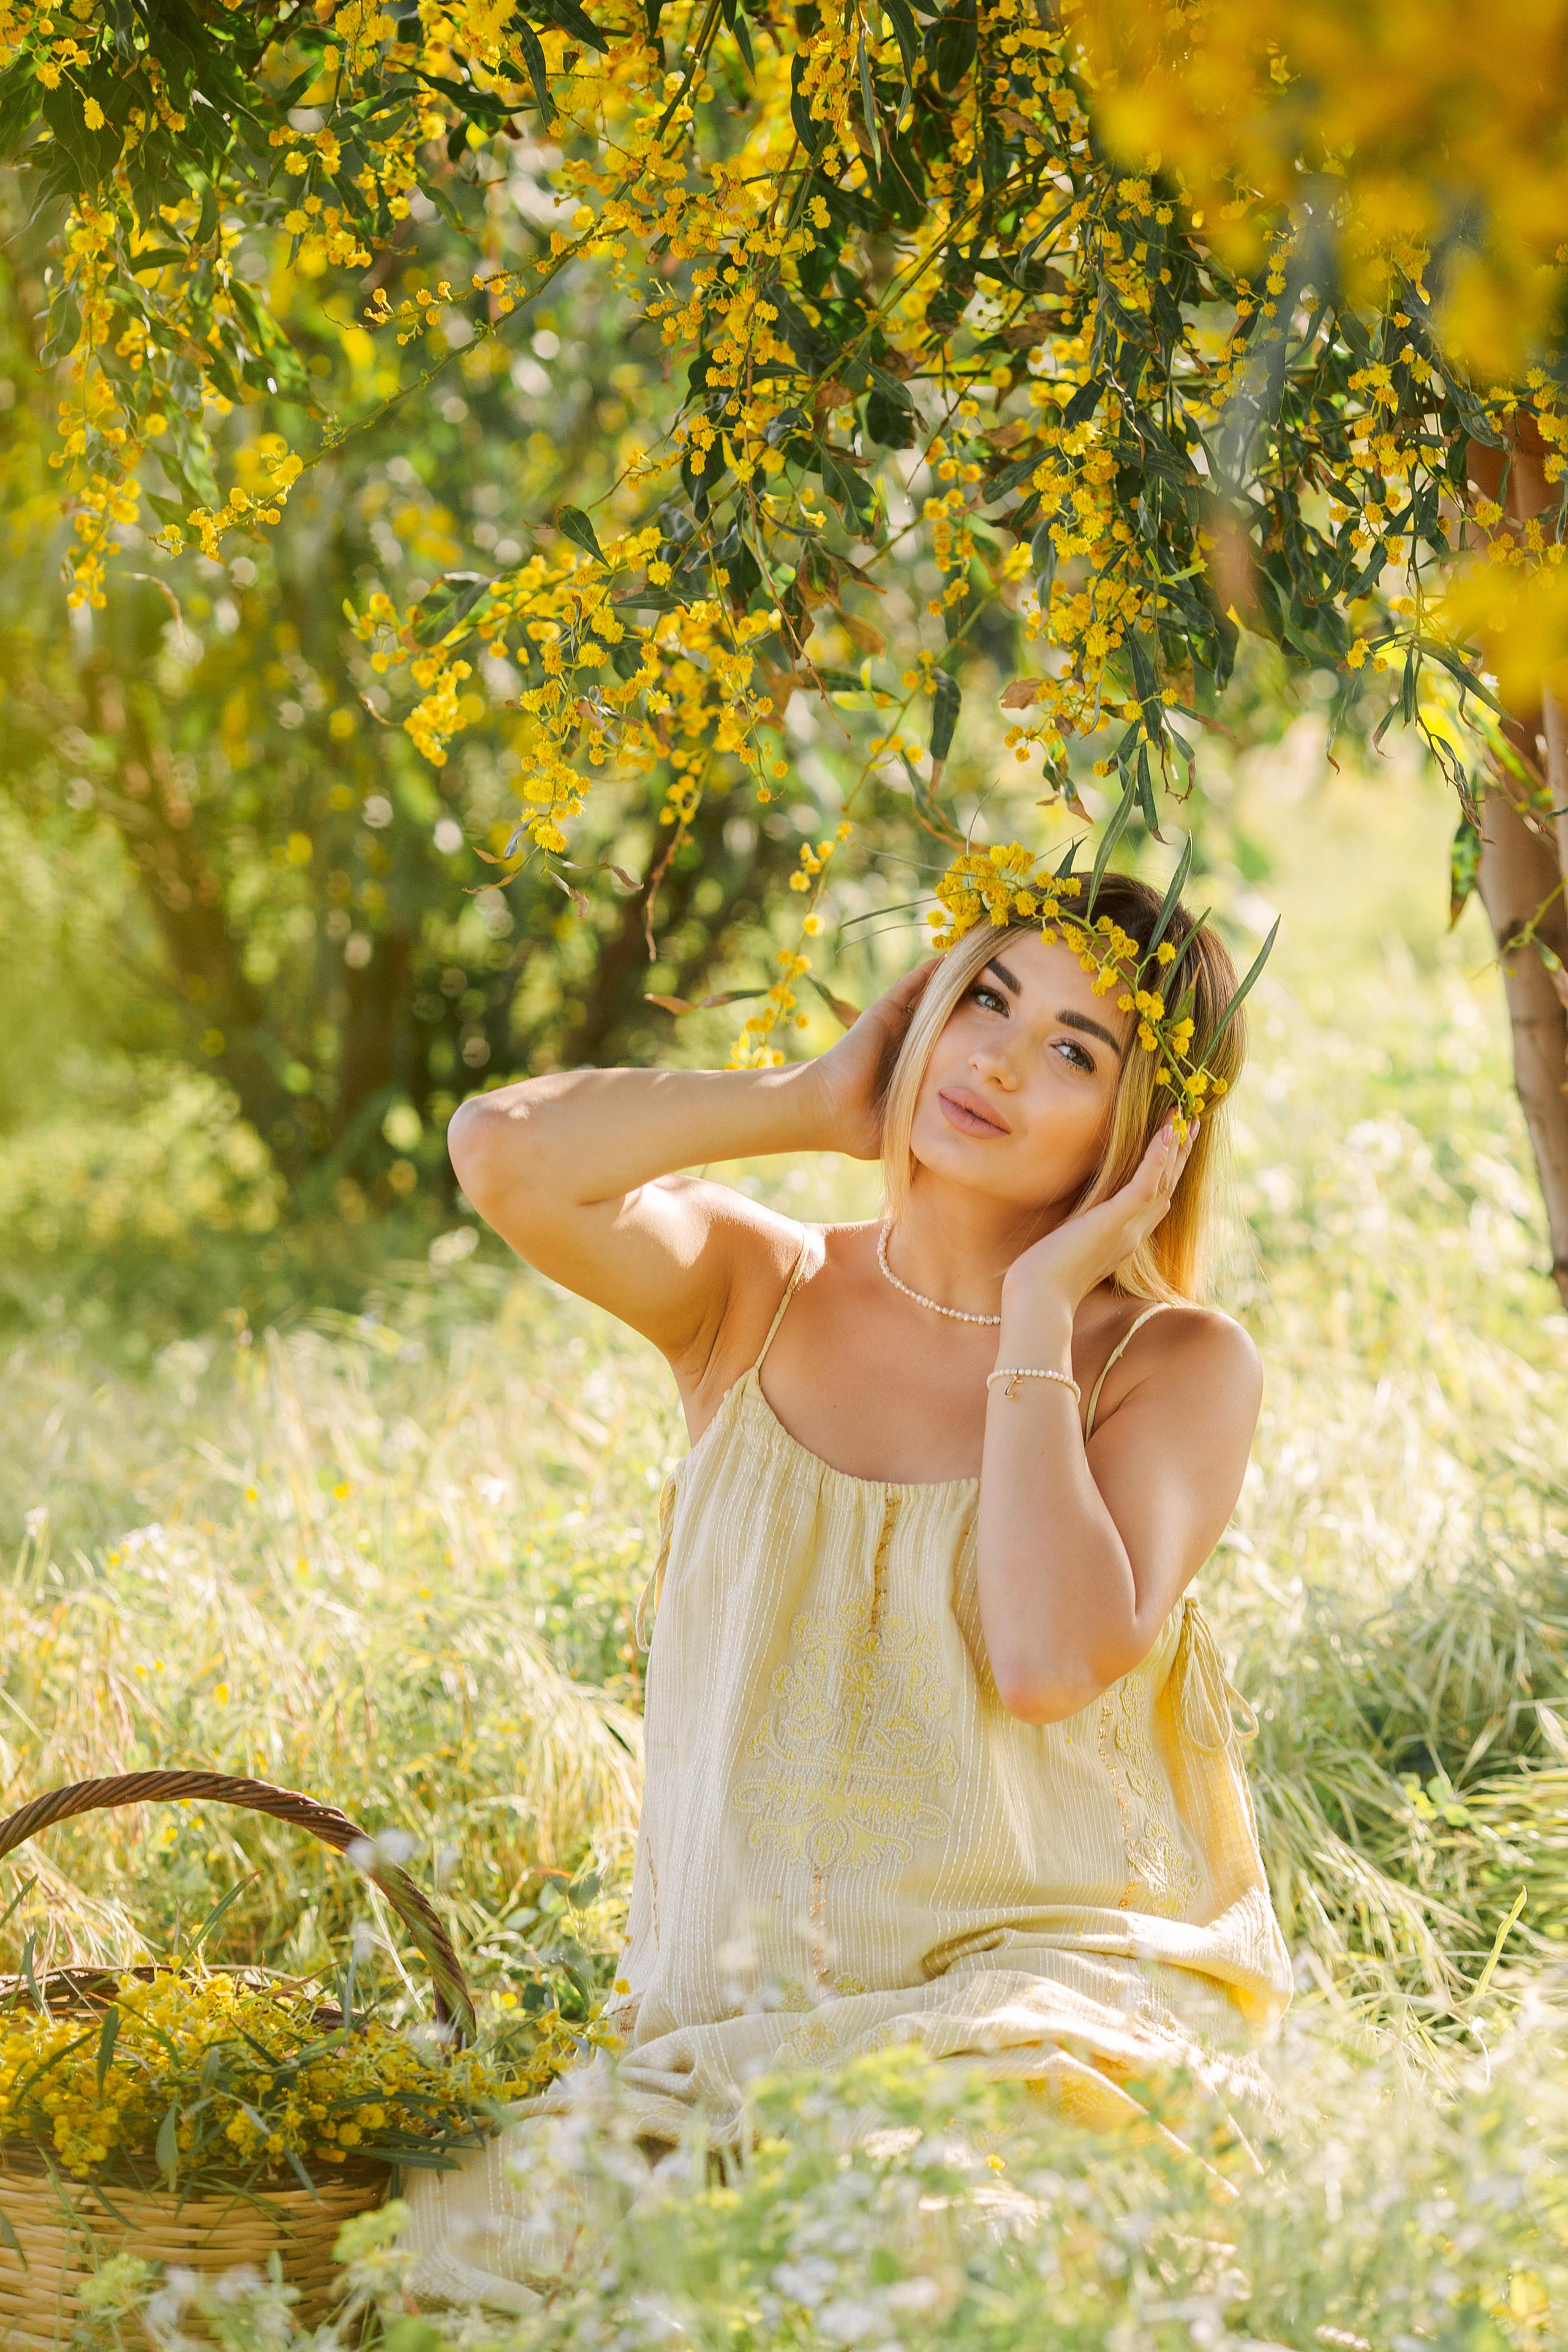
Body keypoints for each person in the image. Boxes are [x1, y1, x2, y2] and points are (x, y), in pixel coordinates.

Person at [402, 864, 1292, 2309]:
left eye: (1075, 1050)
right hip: (728, 2031)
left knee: (913, 2253)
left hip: (1036, 2001)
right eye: (985, 999)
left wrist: (1037, 1316)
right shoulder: (756, 1288)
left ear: (1145, 1133)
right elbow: (502, 1151)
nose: (998, 1060)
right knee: (456, 2262)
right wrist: (805, 1101)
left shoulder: (1172, 1366)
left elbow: (1049, 1659)